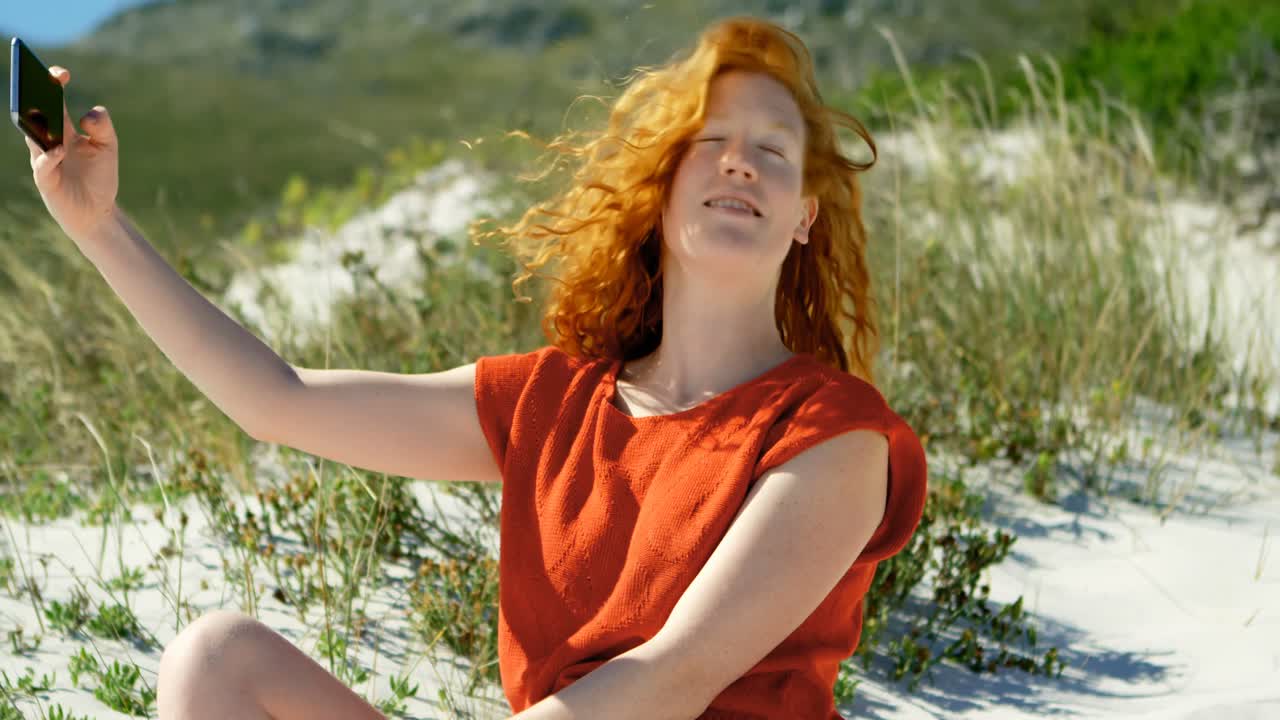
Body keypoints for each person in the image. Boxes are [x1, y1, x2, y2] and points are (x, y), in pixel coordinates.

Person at [25, 15, 927, 720]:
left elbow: (673, 676)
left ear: (804, 215)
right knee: (216, 660)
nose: (741, 163)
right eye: (710, 140)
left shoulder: (834, 434)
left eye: (773, 151)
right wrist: (99, 229)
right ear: (659, 186)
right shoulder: (552, 401)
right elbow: (276, 401)